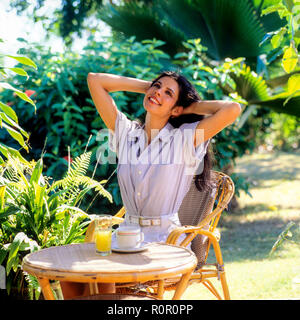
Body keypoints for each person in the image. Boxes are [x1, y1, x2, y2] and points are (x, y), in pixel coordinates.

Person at [60, 70, 241, 299]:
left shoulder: (184, 138)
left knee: (102, 276)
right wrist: (150, 87)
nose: (157, 92)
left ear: (177, 109)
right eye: (157, 86)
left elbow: (232, 109)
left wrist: (187, 106)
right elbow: (94, 80)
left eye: (168, 93)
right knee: (71, 276)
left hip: (164, 241)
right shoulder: (126, 133)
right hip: (124, 237)